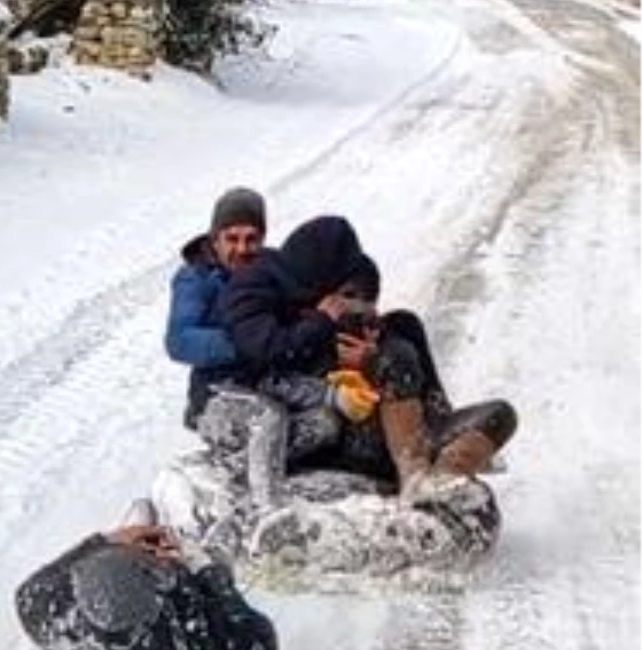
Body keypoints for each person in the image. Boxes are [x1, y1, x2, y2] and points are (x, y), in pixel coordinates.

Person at [218, 215, 517, 501]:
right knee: (395, 356)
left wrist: (370, 349)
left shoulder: (381, 331)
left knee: (501, 413)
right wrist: (346, 361)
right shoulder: (280, 313)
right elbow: (270, 361)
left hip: (406, 429)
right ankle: (415, 480)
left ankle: (442, 477)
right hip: (352, 433)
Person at [15, 511, 278, 650]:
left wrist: (106, 541)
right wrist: (209, 573)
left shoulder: (49, 611)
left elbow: (26, 596)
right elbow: (260, 644)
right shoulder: (206, 631)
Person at [165, 187, 269, 427]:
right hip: (215, 392)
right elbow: (179, 340)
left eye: (251, 239)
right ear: (215, 240)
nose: (242, 249)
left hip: (264, 382)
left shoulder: (269, 269)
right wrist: (245, 341)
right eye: (232, 239)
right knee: (269, 425)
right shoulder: (195, 278)